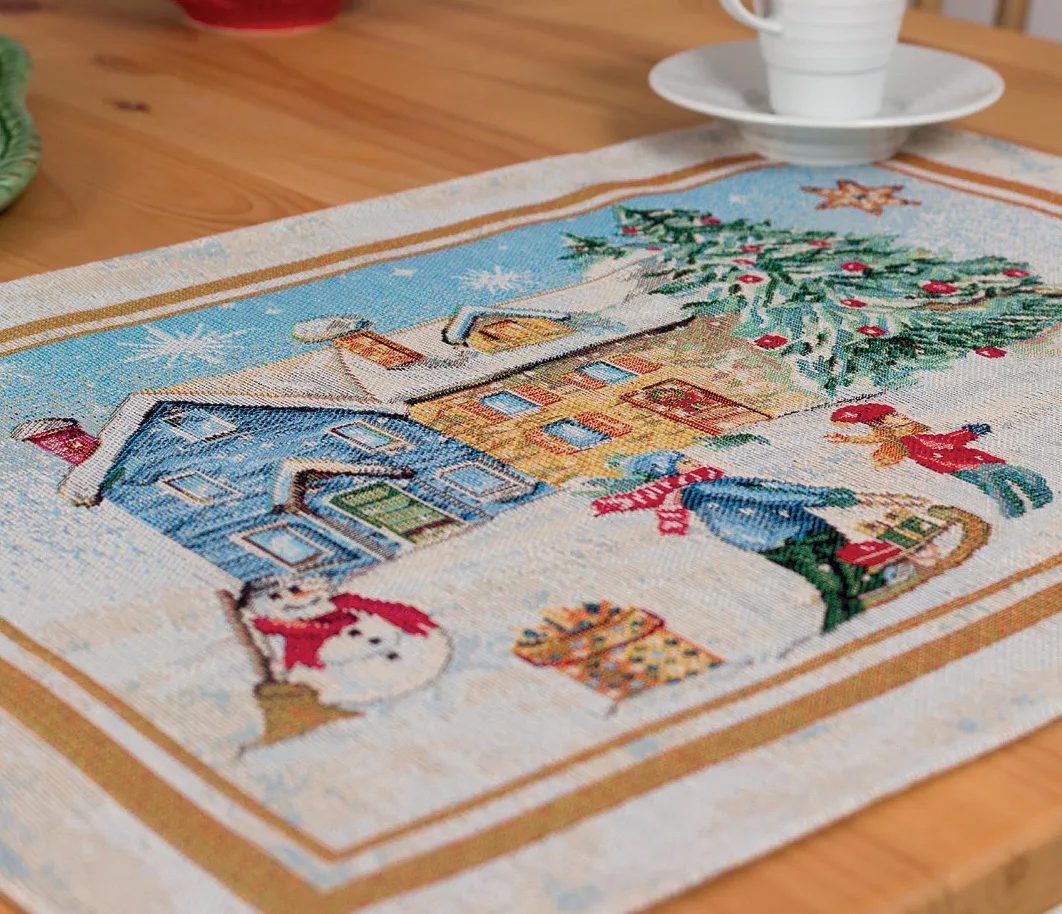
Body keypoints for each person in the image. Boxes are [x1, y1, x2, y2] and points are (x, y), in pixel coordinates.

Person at [600, 451, 885, 633]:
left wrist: (826, 495)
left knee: (837, 564)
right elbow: (764, 495)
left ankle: (860, 591)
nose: (693, 461)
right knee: (828, 572)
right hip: (787, 532)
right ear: (671, 471)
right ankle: (842, 616)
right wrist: (826, 497)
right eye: (684, 460)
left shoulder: (697, 488)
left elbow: (768, 489)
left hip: (773, 538)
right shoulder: (701, 486)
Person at [827, 403, 1052, 519]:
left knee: (1007, 479)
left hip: (971, 462)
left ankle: (1032, 505)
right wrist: (969, 432)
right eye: (893, 416)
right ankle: (1022, 510)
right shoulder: (909, 440)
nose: (901, 416)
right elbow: (944, 443)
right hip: (965, 465)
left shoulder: (910, 435)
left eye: (896, 413)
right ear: (882, 424)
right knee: (1005, 480)